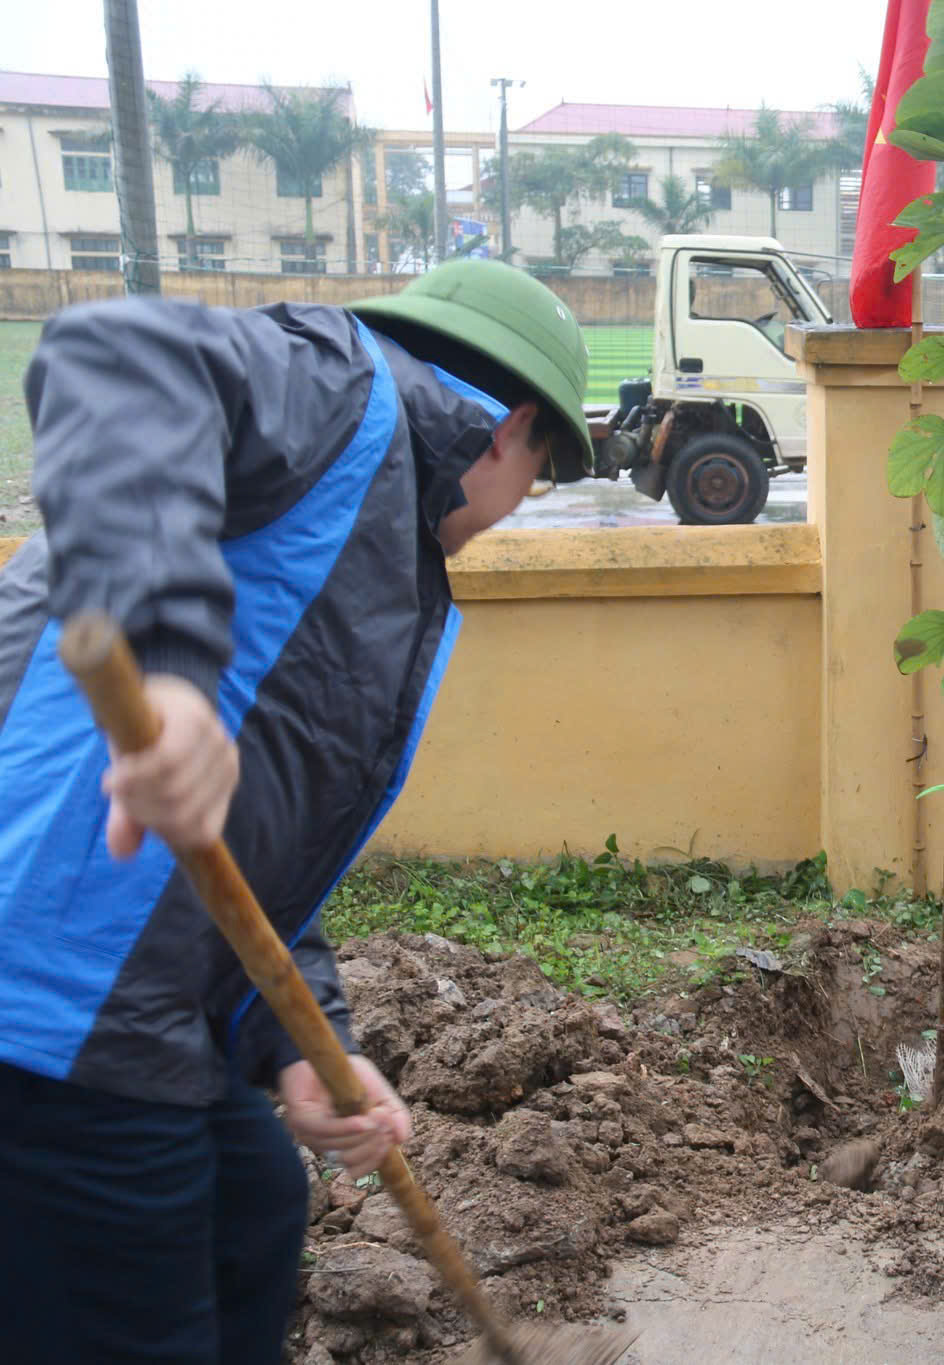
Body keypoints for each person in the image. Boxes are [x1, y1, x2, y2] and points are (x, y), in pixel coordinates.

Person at [0, 260, 593, 1364]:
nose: (513, 513)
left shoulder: (383, 542)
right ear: (512, 429)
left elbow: (261, 840)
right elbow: (117, 357)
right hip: (48, 1004)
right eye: (543, 478)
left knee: (256, 1204)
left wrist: (297, 1042)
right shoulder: (342, 390)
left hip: (143, 998)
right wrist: (170, 669)